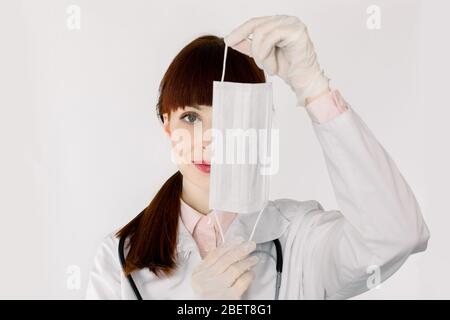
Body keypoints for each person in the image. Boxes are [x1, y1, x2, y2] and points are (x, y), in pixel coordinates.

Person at [85, 15, 430, 299]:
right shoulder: (118, 259)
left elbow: (398, 235)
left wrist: (313, 88)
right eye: (191, 117)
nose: (210, 141)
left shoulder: (298, 239)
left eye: (229, 119)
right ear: (167, 126)